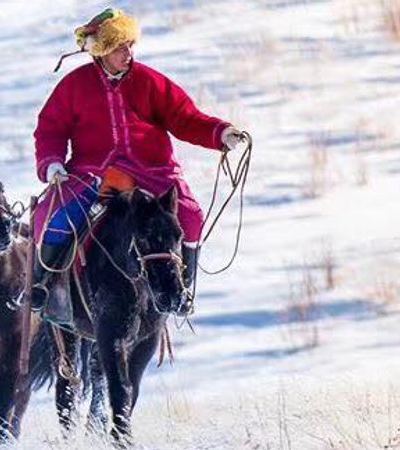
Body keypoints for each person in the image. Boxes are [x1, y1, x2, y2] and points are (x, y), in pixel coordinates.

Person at [31, 8, 245, 319]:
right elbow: (50, 128)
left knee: (191, 216)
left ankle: (184, 287)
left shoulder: (150, 81)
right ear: (102, 49)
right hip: (92, 174)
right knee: (53, 219)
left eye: (130, 45)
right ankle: (44, 285)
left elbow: (185, 118)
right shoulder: (73, 86)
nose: (128, 53)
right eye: (120, 47)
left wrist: (220, 132)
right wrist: (51, 163)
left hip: (151, 172)